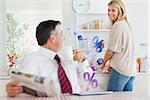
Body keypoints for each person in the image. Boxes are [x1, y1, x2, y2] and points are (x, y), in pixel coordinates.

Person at [6, 20, 89, 97]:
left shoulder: (67, 57)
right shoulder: (32, 60)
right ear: (53, 38)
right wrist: (12, 89)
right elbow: (18, 87)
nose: (63, 38)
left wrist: (82, 61)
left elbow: (88, 82)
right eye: (61, 34)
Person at [101, 0, 136, 91]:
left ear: (120, 11)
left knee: (113, 98)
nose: (109, 13)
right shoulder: (126, 24)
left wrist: (102, 63)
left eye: (113, 10)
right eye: (108, 10)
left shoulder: (118, 26)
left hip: (120, 71)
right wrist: (112, 63)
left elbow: (110, 51)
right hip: (130, 71)